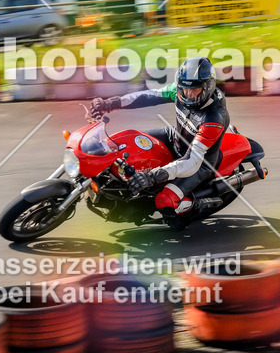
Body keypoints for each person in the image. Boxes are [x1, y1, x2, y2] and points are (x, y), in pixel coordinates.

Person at [90, 57, 229, 229]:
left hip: (199, 163)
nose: (188, 94)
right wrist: (109, 103)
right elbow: (148, 96)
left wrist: (151, 177)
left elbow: (191, 161)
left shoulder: (214, 119)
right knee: (127, 141)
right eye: (184, 88)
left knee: (164, 201)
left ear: (207, 87)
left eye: (194, 89)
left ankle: (187, 212)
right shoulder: (178, 91)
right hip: (175, 137)